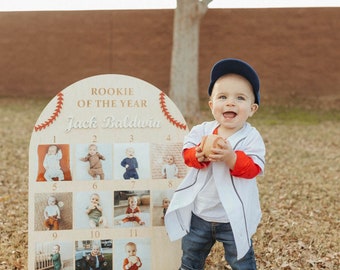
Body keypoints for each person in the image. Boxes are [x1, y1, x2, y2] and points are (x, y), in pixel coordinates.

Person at [165, 58, 266, 270]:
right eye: (222, 97)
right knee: (191, 259)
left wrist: (232, 158)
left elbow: (254, 169)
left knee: (242, 261)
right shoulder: (201, 131)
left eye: (240, 98)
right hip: (200, 214)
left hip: (233, 217)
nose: (230, 102)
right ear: (212, 105)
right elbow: (187, 155)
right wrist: (199, 154)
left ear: (252, 108)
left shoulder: (251, 136)